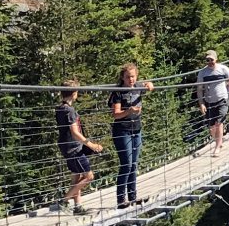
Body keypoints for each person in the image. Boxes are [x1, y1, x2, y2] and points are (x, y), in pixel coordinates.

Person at [109, 64, 155, 208]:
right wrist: (128, 111)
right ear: (122, 77)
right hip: (122, 131)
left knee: (133, 165)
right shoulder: (118, 92)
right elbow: (115, 115)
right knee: (126, 164)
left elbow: (149, 86)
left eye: (133, 76)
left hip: (137, 130)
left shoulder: (138, 86)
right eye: (128, 77)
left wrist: (150, 85)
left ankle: (133, 196)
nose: (131, 79)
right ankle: (121, 199)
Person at [56, 84, 102, 214]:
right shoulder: (69, 111)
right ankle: (64, 200)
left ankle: (78, 206)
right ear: (74, 93)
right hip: (74, 148)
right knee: (89, 176)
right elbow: (75, 133)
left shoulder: (60, 108)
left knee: (76, 177)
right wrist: (91, 145)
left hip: (67, 147)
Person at [196, 50, 229, 157]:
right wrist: (201, 103)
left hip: (222, 99)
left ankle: (217, 146)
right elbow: (199, 89)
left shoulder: (223, 69)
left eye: (211, 59)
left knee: (219, 123)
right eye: (207, 60)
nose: (209, 62)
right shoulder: (202, 73)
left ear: (216, 59)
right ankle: (218, 141)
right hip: (209, 101)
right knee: (212, 127)